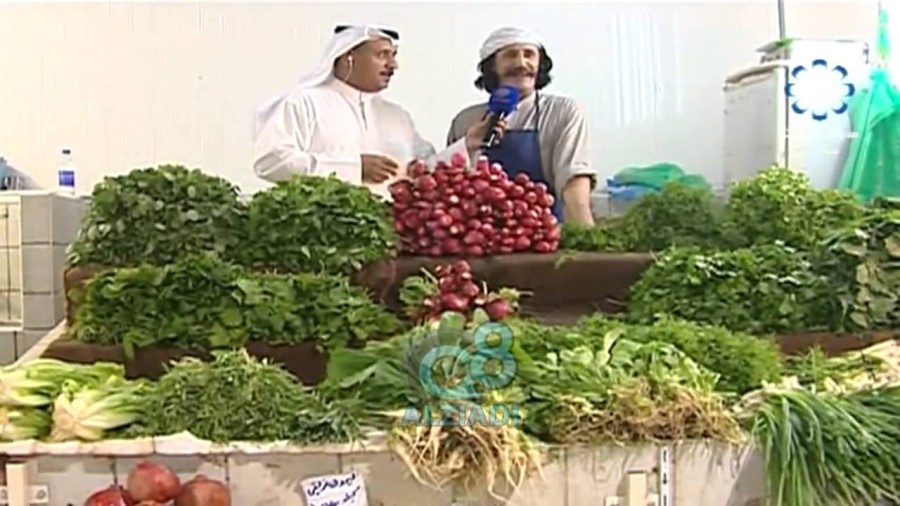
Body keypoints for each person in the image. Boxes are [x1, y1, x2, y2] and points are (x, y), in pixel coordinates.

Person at [252, 24, 498, 199]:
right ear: (348, 57)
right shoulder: (302, 102)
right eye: (382, 55)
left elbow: (423, 169)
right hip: (321, 237)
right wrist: (354, 168)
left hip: (395, 234)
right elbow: (272, 162)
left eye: (394, 56)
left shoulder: (397, 116)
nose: (393, 65)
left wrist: (468, 144)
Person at [446, 27, 596, 225]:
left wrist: (585, 235)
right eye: (510, 55)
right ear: (492, 67)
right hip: (480, 233)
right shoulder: (465, 120)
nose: (521, 63)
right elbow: (449, 183)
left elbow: (573, 180)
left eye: (529, 55)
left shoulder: (562, 111)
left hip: (544, 231)